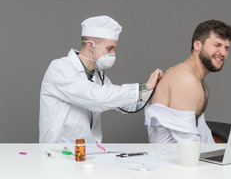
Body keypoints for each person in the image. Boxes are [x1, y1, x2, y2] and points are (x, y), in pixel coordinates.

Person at [39, 15, 163, 143]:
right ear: (90, 45)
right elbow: (97, 98)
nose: (113, 54)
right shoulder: (60, 69)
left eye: (114, 49)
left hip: (87, 152)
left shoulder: (98, 76)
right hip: (58, 153)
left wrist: (156, 89)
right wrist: (144, 87)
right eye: (109, 49)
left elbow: (125, 104)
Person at [144, 20, 231, 143]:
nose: (223, 52)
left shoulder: (194, 77)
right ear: (197, 45)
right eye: (217, 45)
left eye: (226, 48)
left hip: (198, 152)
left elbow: (200, 130)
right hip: (174, 159)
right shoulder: (186, 79)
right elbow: (187, 143)